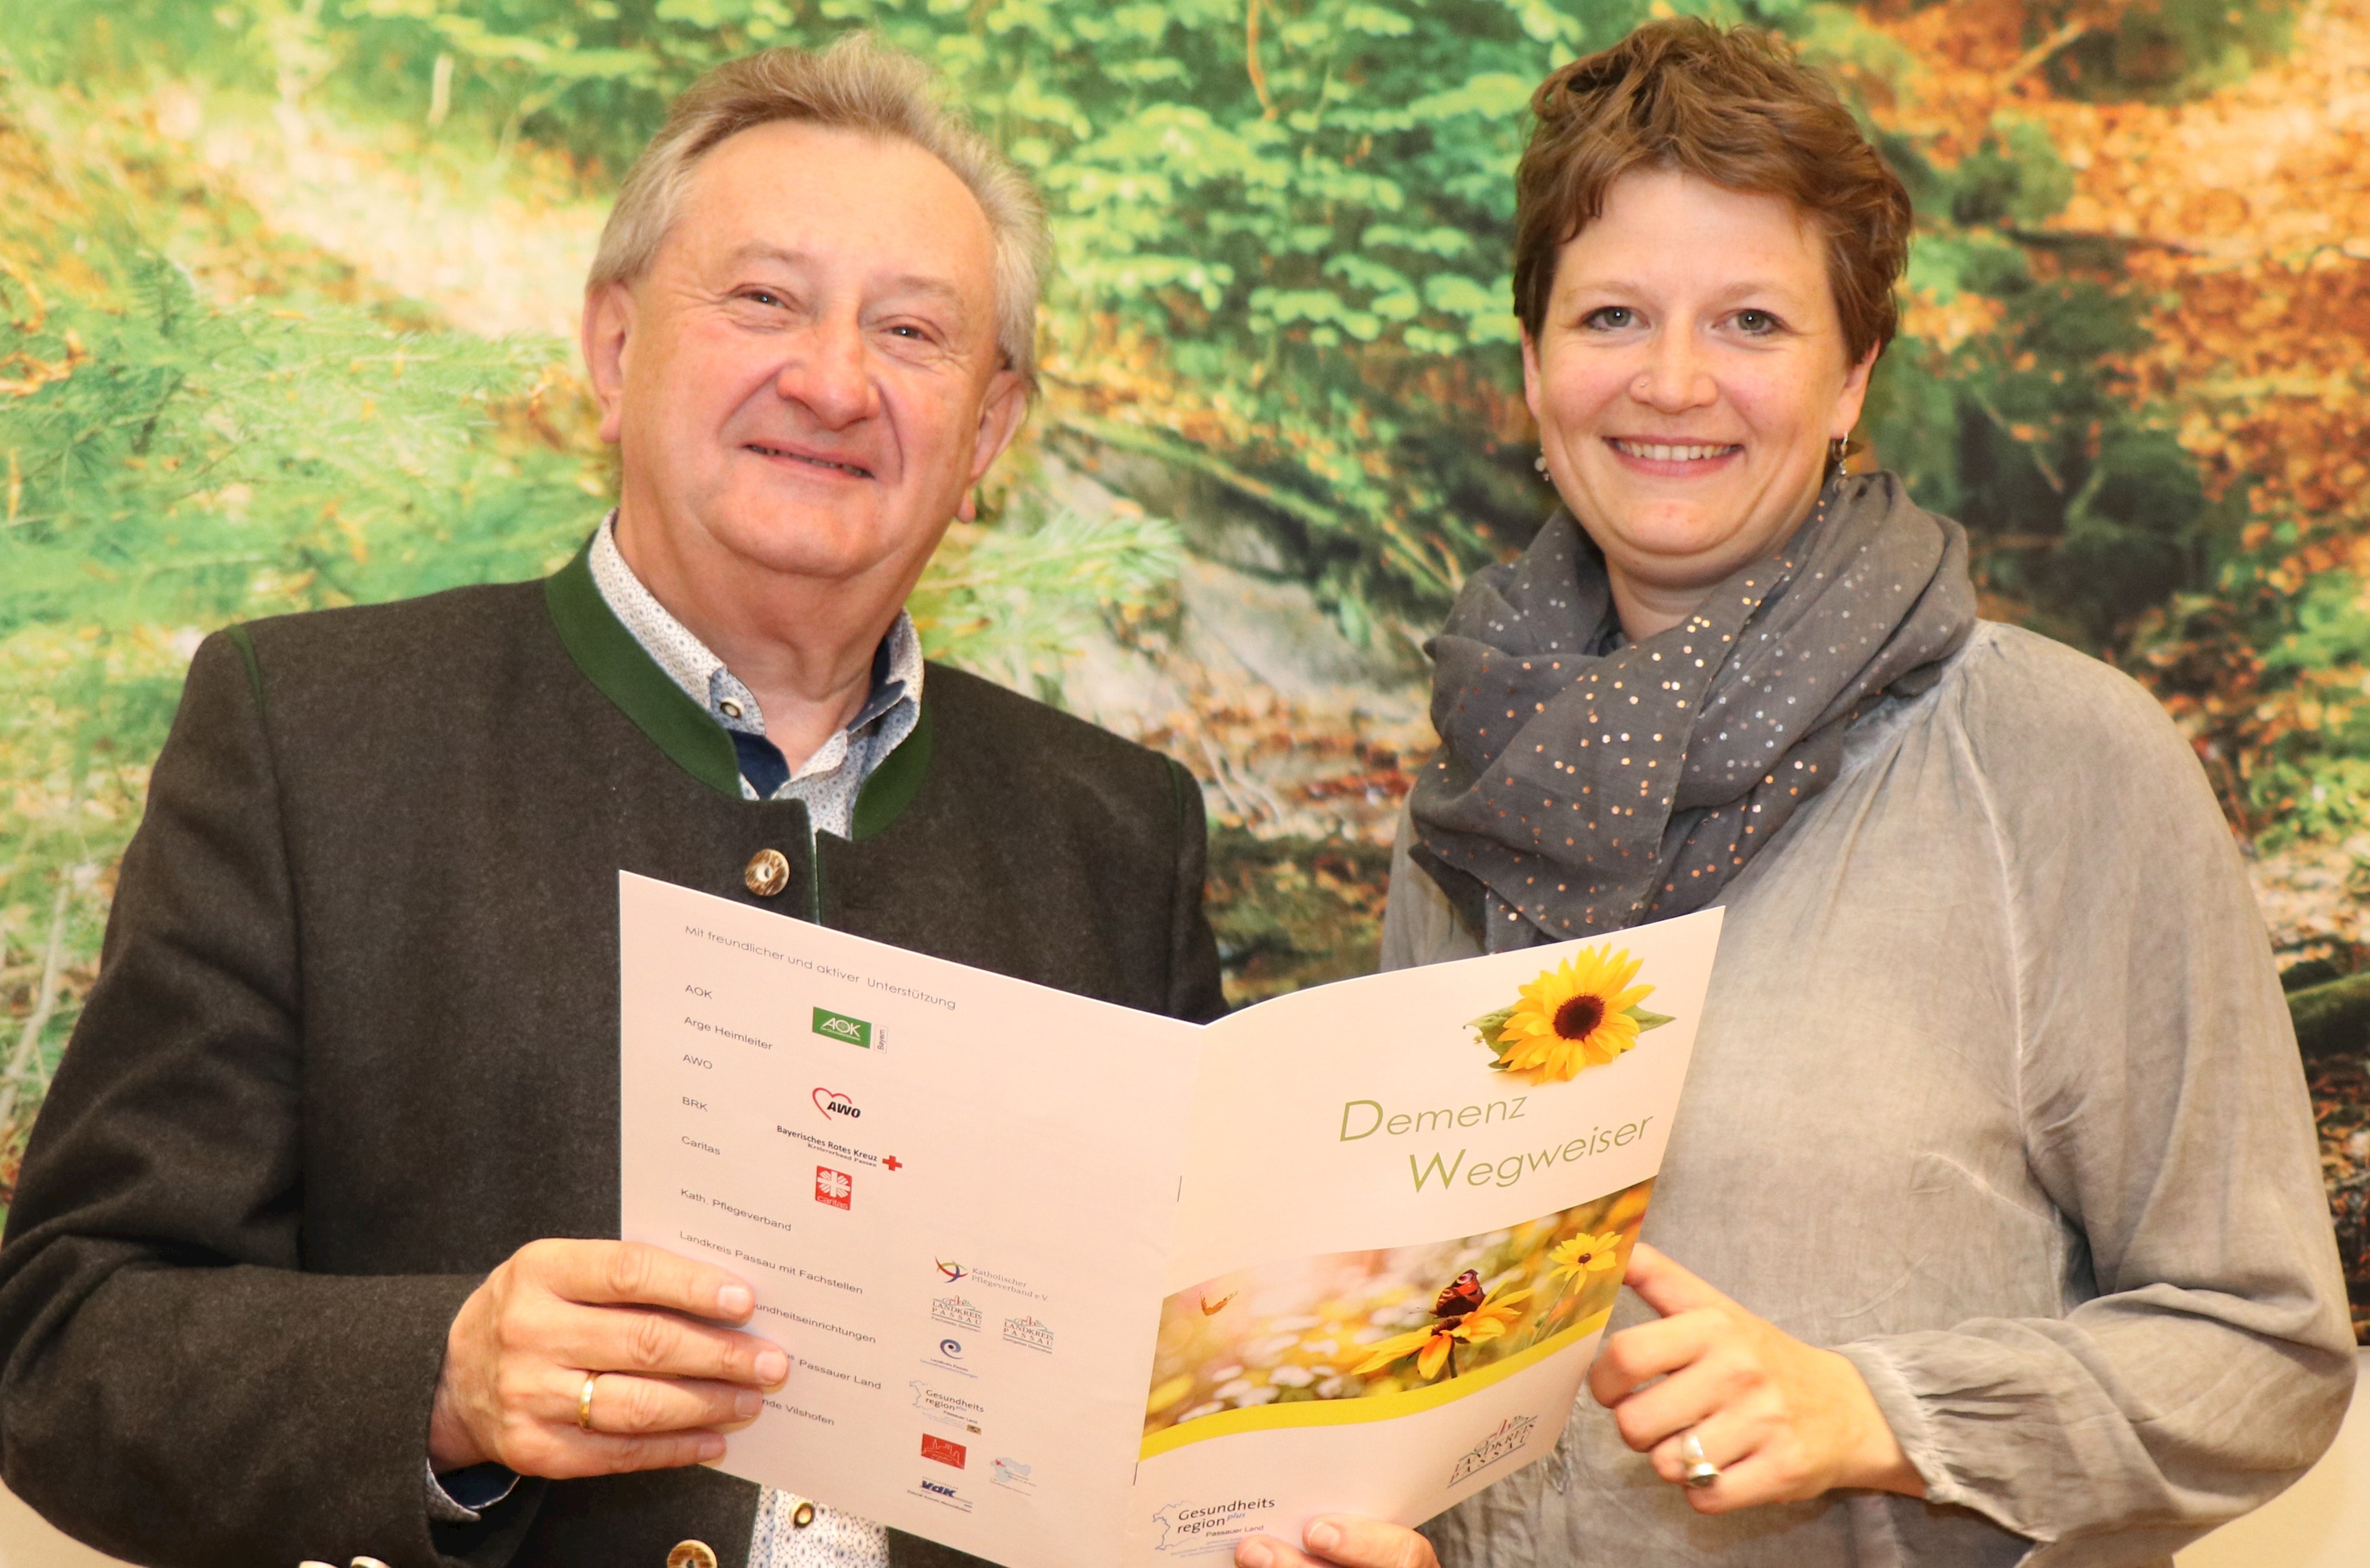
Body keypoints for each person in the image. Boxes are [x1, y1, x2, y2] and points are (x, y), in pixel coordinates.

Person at [0, 35, 1221, 1568]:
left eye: (912, 332)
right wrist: (439, 1379)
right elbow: (69, 1342)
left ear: (985, 434)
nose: (833, 379)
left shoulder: (1119, 834)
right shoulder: (310, 734)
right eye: (765, 298)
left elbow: (1164, 1418)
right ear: (615, 345)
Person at [1235, 19, 2352, 1568]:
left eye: (1753, 321)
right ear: (1536, 371)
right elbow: (1447, 1354)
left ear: (1853, 382)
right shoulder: (1465, 809)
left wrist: (1879, 1413)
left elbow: (2271, 1352)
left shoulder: (2061, 767)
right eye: (1614, 313)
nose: (1674, 381)